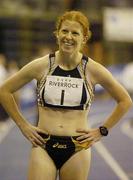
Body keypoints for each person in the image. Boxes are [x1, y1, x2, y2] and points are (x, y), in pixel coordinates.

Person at [0, 11, 132, 180]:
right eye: (64, 31)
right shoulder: (41, 65)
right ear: (57, 34)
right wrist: (23, 125)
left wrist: (102, 130)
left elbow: (125, 101)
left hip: (77, 148)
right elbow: (4, 90)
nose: (68, 37)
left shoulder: (93, 70)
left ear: (84, 38)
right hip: (43, 145)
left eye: (75, 33)